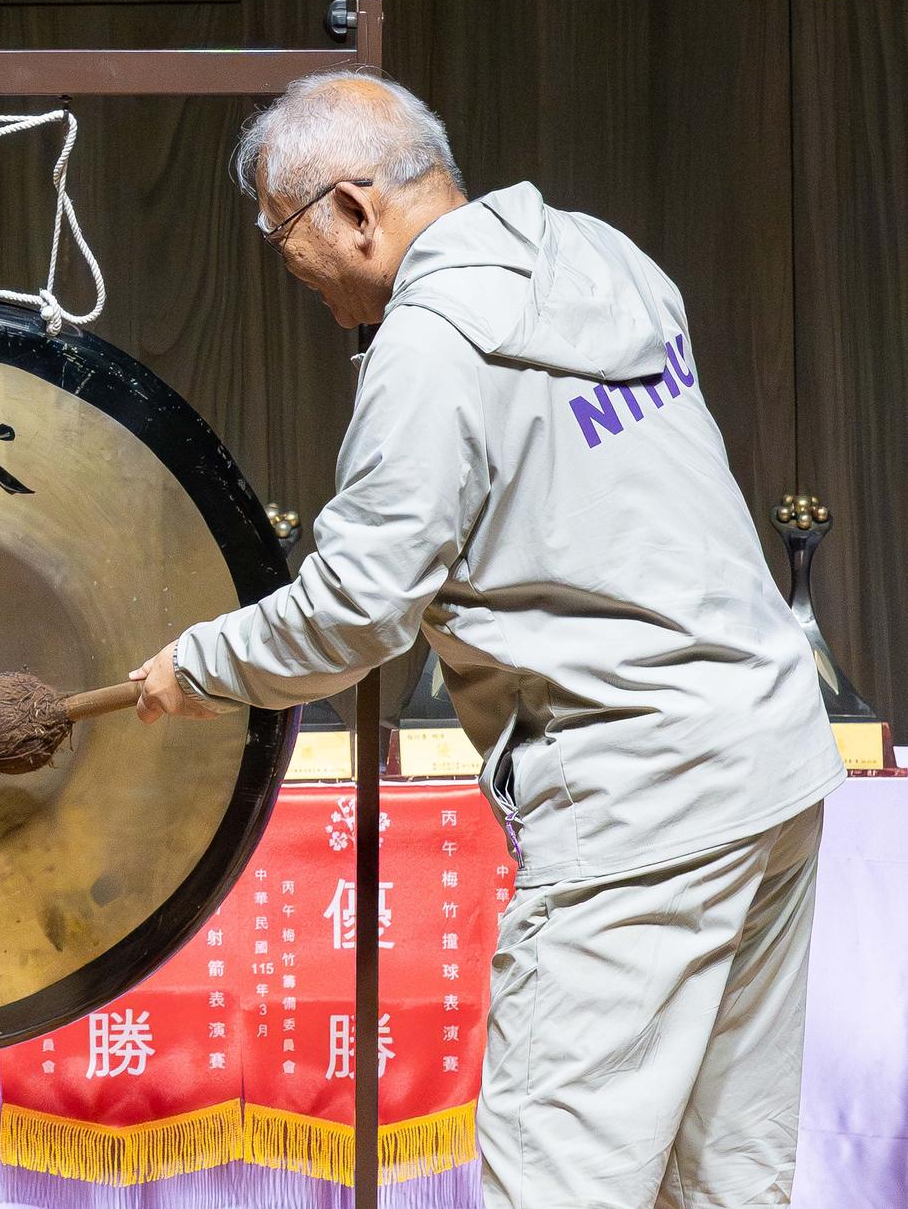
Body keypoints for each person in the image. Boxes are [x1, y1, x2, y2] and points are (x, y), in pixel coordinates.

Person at [130, 74, 842, 1208]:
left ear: (355, 208)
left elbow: (355, 612)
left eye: (283, 235)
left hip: (639, 800)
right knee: (725, 1180)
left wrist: (192, 667)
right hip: (771, 764)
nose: (289, 267)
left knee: (554, 1182)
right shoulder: (600, 253)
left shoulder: (429, 345)